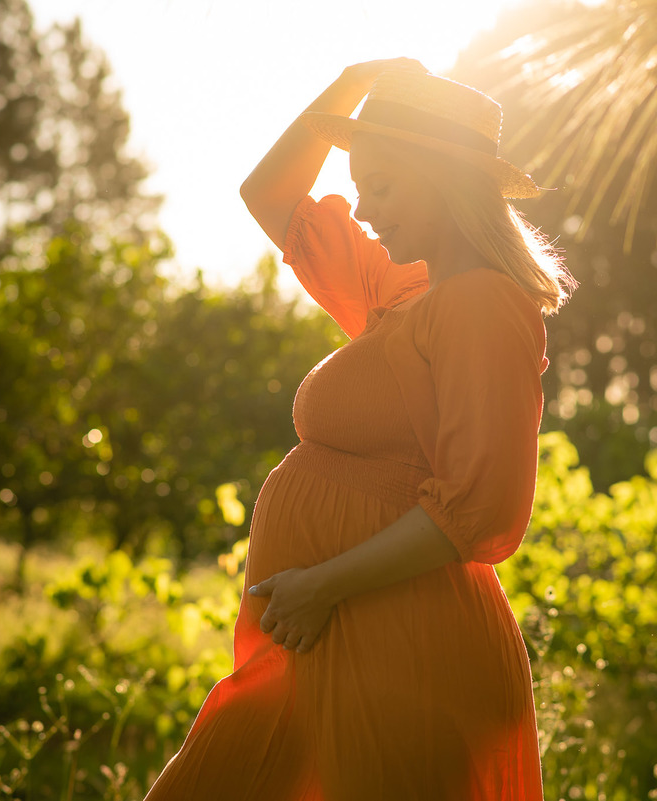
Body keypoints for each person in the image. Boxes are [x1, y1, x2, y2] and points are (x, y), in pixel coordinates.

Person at [143, 58, 575, 801]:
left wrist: (320, 585)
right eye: (358, 180)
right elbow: (268, 194)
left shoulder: (480, 305)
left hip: (402, 649)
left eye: (382, 183)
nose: (363, 207)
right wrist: (350, 86)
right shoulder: (406, 289)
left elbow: (483, 511)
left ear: (445, 178)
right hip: (327, 639)